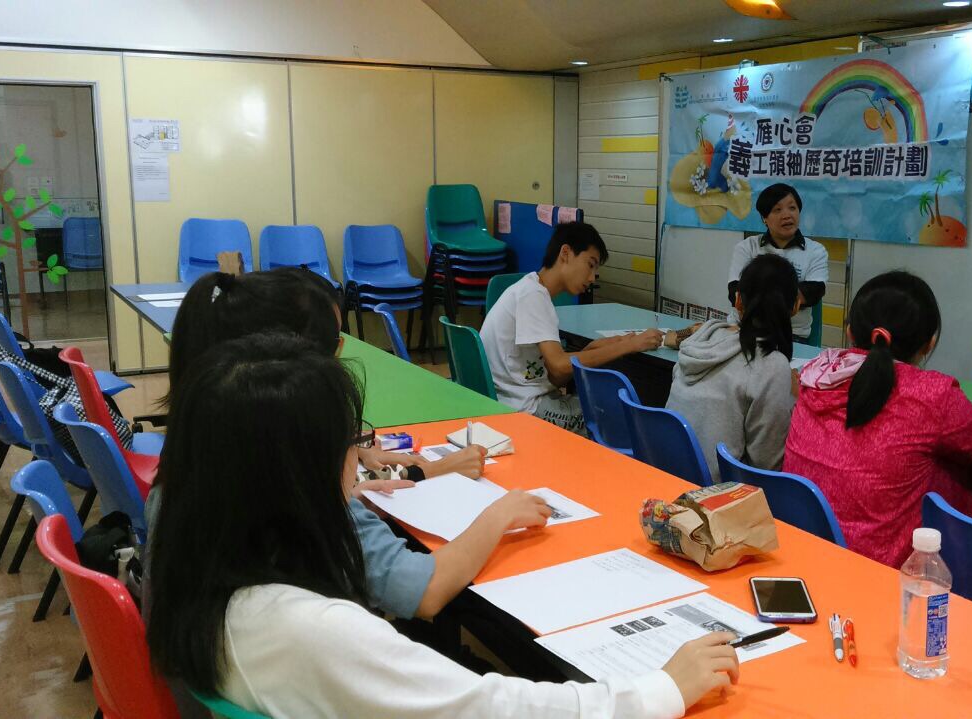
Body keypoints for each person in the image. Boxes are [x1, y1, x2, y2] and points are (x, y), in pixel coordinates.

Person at [147, 334, 741, 718]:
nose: (359, 459)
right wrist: (663, 688)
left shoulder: (201, 567)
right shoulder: (315, 632)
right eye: (350, 443)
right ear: (296, 475)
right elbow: (489, 708)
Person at [154, 268, 502, 621]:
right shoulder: (306, 500)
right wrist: (500, 514)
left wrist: (350, 496)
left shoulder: (193, 457)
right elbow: (420, 590)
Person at [783, 270, 972, 567]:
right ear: (930, 343)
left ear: (850, 332)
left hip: (804, 553)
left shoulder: (815, 377)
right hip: (887, 573)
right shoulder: (933, 395)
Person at [480, 222, 662, 434]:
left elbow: (555, 376)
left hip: (516, 401)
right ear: (565, 253)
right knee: (618, 414)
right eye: (590, 265)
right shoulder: (533, 296)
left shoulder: (530, 289)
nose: (592, 277)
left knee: (604, 405)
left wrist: (590, 350)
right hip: (525, 410)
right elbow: (559, 366)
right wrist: (629, 345)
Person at [666, 254, 799, 483]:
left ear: (738, 300)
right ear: (795, 306)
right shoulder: (772, 365)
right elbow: (766, 466)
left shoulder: (701, 338)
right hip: (717, 493)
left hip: (665, 472)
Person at [727, 183, 829, 344]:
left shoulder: (815, 250)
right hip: (743, 329)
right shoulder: (746, 247)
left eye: (792, 208)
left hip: (791, 335)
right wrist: (789, 296)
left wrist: (757, 296)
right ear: (764, 218)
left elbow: (814, 291)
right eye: (777, 210)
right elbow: (735, 290)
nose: (787, 215)